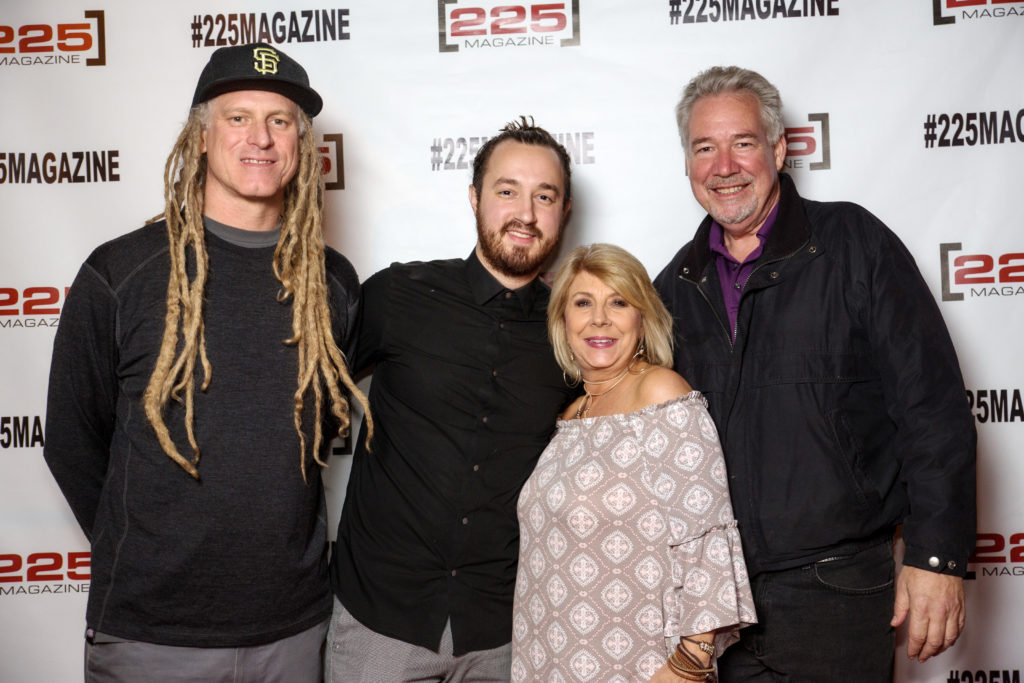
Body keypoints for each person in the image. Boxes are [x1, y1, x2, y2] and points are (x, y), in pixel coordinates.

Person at [42, 43, 366, 682]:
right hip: (149, 634)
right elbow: (73, 444)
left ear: (302, 146)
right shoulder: (120, 273)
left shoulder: (333, 284)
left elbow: (320, 432)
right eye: (238, 117)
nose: (260, 138)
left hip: (293, 629)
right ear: (200, 137)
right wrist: (149, 553)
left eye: (279, 121)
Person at [654, 66, 977, 681]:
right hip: (715, 606)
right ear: (688, 163)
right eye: (704, 148)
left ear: (778, 149)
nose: (724, 166)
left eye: (743, 142)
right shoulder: (673, 286)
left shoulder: (854, 243)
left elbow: (932, 407)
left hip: (837, 592)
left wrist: (937, 557)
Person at [326, 117, 578, 682]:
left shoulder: (577, 330)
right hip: (380, 618)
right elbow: (304, 395)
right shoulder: (399, 295)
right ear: (474, 197)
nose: (525, 213)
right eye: (507, 191)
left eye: (544, 196)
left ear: (564, 210)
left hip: (505, 629)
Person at [511, 243, 756, 683]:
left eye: (618, 303)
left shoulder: (660, 393)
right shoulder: (572, 414)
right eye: (582, 303)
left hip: (638, 665)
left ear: (642, 320)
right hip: (548, 659)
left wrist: (689, 665)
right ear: (563, 321)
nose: (599, 319)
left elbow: (707, 542)